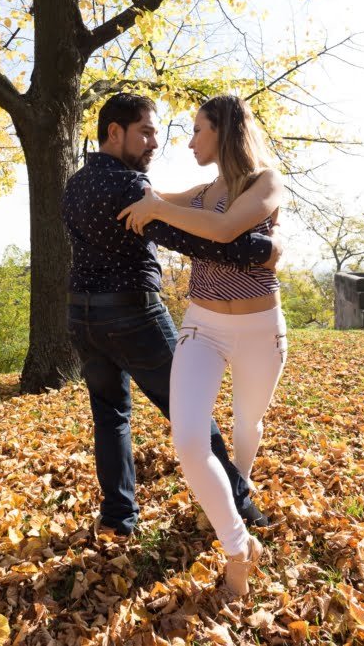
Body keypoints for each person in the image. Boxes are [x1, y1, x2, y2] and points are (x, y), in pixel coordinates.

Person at [62, 93, 283, 540]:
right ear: (114, 132)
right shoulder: (129, 188)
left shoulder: (75, 184)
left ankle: (117, 519)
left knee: (110, 416)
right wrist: (265, 249)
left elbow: (174, 211)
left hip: (82, 316)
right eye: (145, 132)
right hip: (132, 316)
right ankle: (241, 506)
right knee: (191, 417)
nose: (154, 143)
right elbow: (198, 241)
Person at [118, 95, 287, 595]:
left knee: (246, 425)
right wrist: (134, 195)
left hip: (261, 329)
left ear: (223, 130)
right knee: (189, 441)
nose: (189, 141)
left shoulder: (265, 183)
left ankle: (239, 484)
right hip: (202, 328)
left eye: (197, 130)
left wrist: (158, 209)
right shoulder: (204, 189)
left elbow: (225, 228)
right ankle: (238, 548)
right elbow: (157, 200)